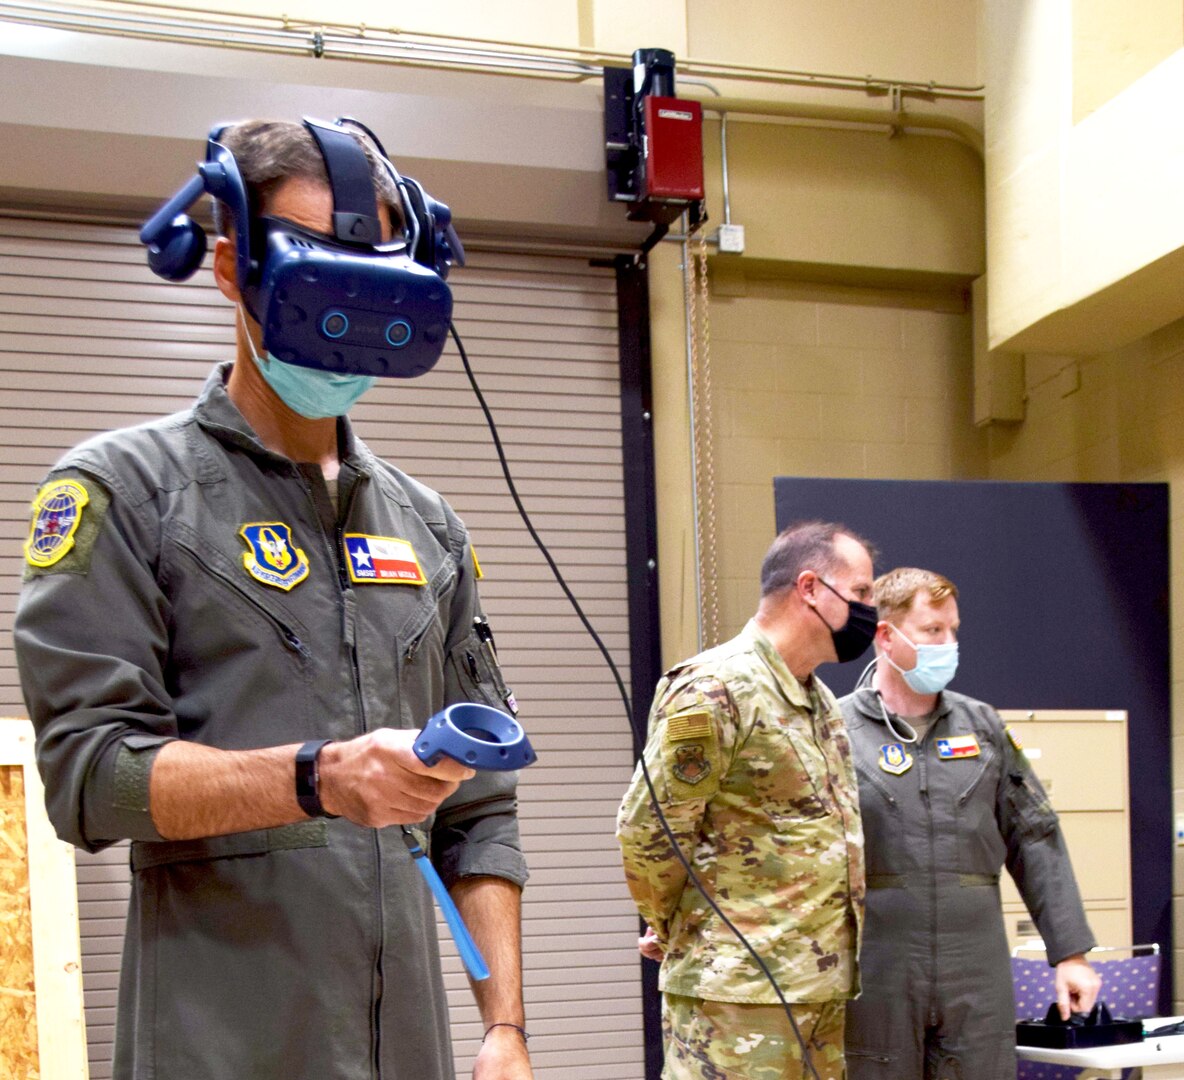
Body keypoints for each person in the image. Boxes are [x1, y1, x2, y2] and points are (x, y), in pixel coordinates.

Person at [14, 119, 532, 1080]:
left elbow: (482, 807)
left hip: (403, 1050)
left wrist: (504, 1026)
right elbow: (90, 775)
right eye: (314, 272)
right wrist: (318, 779)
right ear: (228, 269)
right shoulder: (126, 492)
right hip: (221, 1046)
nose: (345, 308)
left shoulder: (430, 528)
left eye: (370, 278)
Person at [617, 520, 877, 1080]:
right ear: (810, 588)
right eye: (859, 594)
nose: (868, 611)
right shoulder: (716, 687)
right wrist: (678, 928)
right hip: (736, 998)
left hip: (815, 989)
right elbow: (650, 831)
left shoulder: (819, 699)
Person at [839, 567, 1100, 1079]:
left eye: (953, 630)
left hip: (974, 957)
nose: (948, 644)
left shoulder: (981, 727)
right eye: (932, 631)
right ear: (885, 636)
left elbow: (1035, 836)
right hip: (879, 961)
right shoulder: (835, 729)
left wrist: (1070, 952)